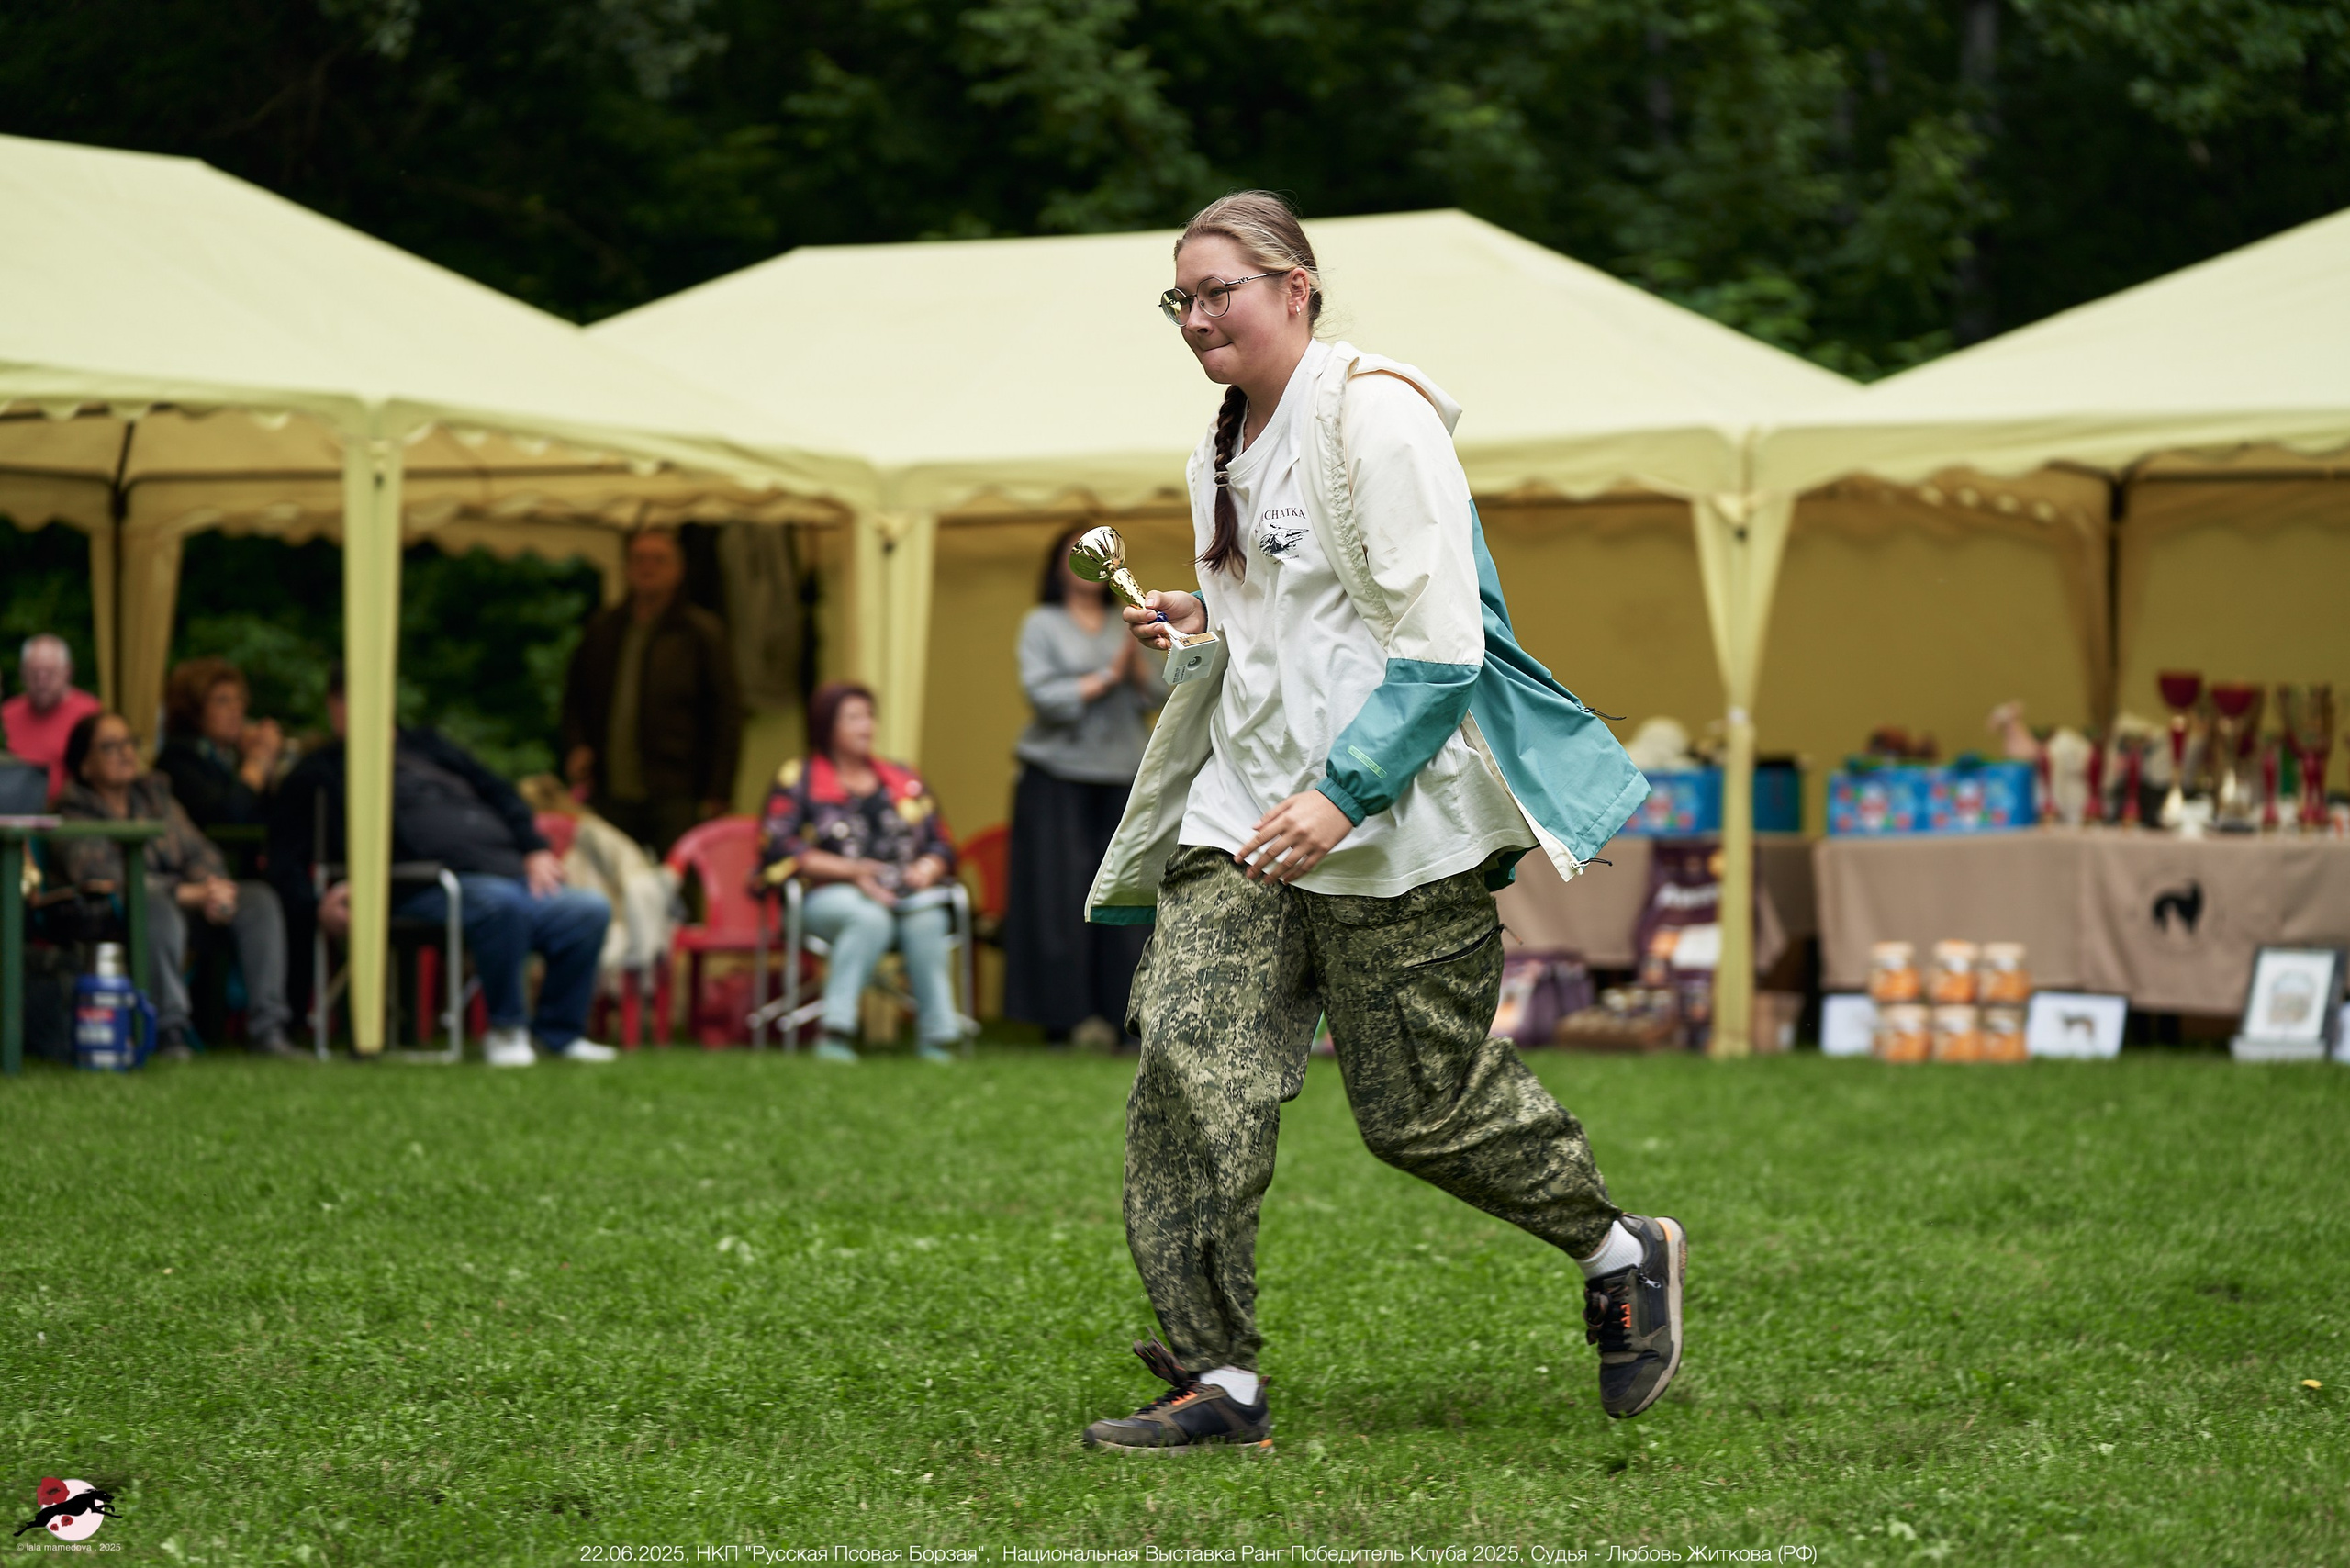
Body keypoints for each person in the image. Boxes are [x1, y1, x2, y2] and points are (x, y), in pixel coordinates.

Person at [1079, 193, 1683, 1453]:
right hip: (1243, 814)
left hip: (1397, 825)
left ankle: (1620, 1249)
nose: (1194, 319)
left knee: (1422, 1111)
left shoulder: (1382, 421)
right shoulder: (1218, 442)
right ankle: (1217, 1377)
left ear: (1296, 286)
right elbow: (1293, 613)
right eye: (1177, 300)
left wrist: (1339, 794)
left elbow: (1442, 647)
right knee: (1192, 1069)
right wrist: (1207, 617)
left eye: (1216, 292)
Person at [269, 666, 618, 1067]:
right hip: (418, 887)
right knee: (500, 904)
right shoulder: (319, 773)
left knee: (587, 910)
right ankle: (506, 1030)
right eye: (349, 698)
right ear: (333, 707)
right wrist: (315, 906)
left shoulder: (428, 746)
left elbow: (499, 791)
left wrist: (535, 849)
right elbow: (285, 860)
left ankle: (559, 1033)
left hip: (505, 872)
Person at [54, 711, 300, 1060]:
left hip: (184, 907)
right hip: (111, 916)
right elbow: (104, 876)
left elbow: (199, 849)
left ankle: (269, 1029)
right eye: (110, 746)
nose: (125, 753)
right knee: (150, 901)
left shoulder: (154, 796)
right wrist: (186, 893)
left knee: (258, 899)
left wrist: (214, 888)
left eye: (129, 743)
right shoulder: (72, 813)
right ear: (84, 765)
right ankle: (169, 1031)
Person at [1002, 527, 1166, 1048]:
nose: (1092, 563)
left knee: (1126, 893)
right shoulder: (1042, 623)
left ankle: (1126, 1018)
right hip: (1056, 776)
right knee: (1059, 898)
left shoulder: (1128, 615)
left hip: (1121, 772)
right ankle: (1061, 1019)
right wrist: (1104, 676)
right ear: (1058, 565)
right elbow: (1043, 697)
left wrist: (1138, 664)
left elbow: (1165, 690)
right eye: (1079, 554)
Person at [758, 682, 960, 1064]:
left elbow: (942, 842)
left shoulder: (903, 778)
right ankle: (836, 1030)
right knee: (868, 918)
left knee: (928, 920)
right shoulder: (800, 778)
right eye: (852, 718)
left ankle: (937, 1037)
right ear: (826, 725)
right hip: (827, 894)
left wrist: (927, 867)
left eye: (869, 716)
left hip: (905, 893)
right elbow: (780, 846)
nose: (866, 726)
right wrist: (854, 872)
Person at [562, 528, 743, 855]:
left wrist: (719, 791)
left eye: (658, 560)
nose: (648, 568)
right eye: (639, 560)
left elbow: (727, 714)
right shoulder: (604, 629)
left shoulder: (701, 633)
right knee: (615, 884)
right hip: (612, 787)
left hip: (677, 788)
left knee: (677, 888)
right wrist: (577, 746)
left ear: (678, 570)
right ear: (627, 568)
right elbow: (575, 697)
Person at [154, 656, 285, 879]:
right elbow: (226, 820)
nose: (237, 709)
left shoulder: (224, 759)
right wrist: (255, 766)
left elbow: (271, 818)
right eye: (222, 701)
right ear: (194, 711)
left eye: (239, 699)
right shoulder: (178, 758)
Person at [3, 634, 104, 801]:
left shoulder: (90, 713)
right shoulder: (6, 714)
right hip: (15, 814)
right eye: (34, 673)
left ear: (68, 671)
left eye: (50, 673)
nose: (42, 681)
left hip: (74, 812)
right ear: (22, 673)